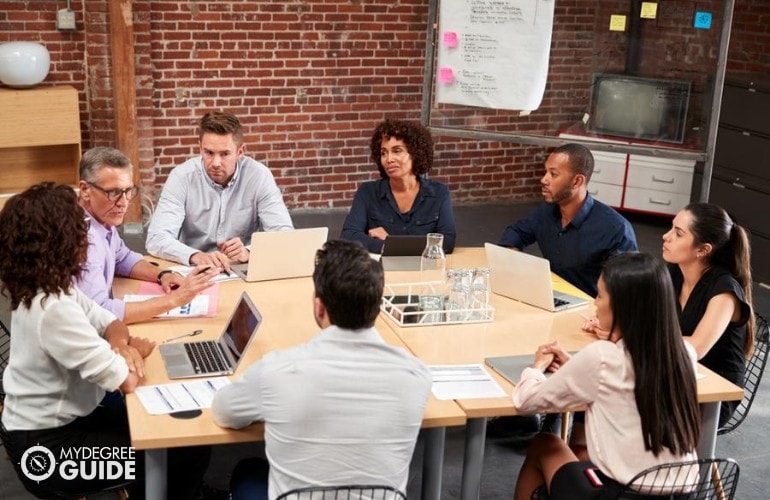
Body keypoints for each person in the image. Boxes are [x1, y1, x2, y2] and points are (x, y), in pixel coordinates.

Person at [0, 183, 209, 498]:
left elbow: (112, 322)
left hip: (66, 419)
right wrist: (129, 355)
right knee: (177, 449)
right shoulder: (53, 309)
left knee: (172, 435)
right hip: (49, 454)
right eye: (78, 229)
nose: (85, 237)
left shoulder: (49, 286)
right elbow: (126, 381)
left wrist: (121, 350)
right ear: (61, 240)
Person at [211, 240, 432, 499]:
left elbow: (224, 412)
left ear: (319, 307)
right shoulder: (416, 376)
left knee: (249, 471)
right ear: (377, 307)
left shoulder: (278, 371)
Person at [512, 253, 701, 499]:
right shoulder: (684, 353)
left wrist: (536, 368)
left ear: (623, 306)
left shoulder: (603, 358)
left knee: (544, 444)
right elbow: (630, 384)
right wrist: (576, 367)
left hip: (620, 495)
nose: (595, 304)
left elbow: (527, 401)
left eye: (600, 295)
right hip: (683, 494)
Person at [76, 147, 219, 325]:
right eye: (113, 193)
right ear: (85, 189)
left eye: (127, 191)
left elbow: (122, 258)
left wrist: (163, 275)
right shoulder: (83, 240)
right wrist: (176, 300)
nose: (123, 202)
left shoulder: (102, 219)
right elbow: (100, 313)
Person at [146, 111, 294, 269]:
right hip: (193, 268)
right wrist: (196, 256)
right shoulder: (181, 177)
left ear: (240, 152)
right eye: (209, 152)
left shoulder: (258, 176)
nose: (216, 163)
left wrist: (249, 252)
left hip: (240, 267)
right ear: (200, 148)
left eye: (225, 154)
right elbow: (157, 239)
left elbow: (284, 234)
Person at [499, 143, 637, 297]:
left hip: (590, 312)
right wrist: (513, 258)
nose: (543, 180)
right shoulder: (546, 211)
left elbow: (624, 290)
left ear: (577, 181)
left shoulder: (616, 229)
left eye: (553, 174)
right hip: (551, 298)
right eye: (546, 172)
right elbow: (516, 232)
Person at [662, 202, 753, 426]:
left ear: (703, 249)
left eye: (678, 233)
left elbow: (696, 347)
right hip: (678, 373)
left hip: (714, 392)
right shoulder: (674, 271)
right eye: (671, 228)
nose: (666, 236)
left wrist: (638, 338)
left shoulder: (724, 290)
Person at [340, 119, 456, 254]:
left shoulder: (439, 193)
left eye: (397, 151)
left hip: (424, 269)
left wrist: (392, 242)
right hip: (381, 271)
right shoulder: (367, 192)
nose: (389, 159)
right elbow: (348, 236)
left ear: (415, 153)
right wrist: (385, 246)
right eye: (384, 153)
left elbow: (447, 242)